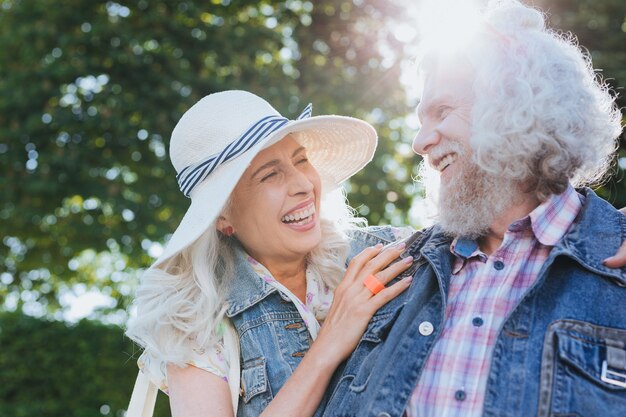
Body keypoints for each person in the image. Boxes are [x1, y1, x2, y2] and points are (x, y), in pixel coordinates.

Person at [318, 1, 626, 416]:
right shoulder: (403, 266)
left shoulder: (614, 257)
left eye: (441, 112)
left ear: (518, 106)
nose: (419, 142)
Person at [125, 90, 416, 417]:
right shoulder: (194, 322)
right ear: (224, 216)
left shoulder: (386, 253)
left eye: (301, 160)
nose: (303, 185)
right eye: (270, 174)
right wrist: (330, 343)